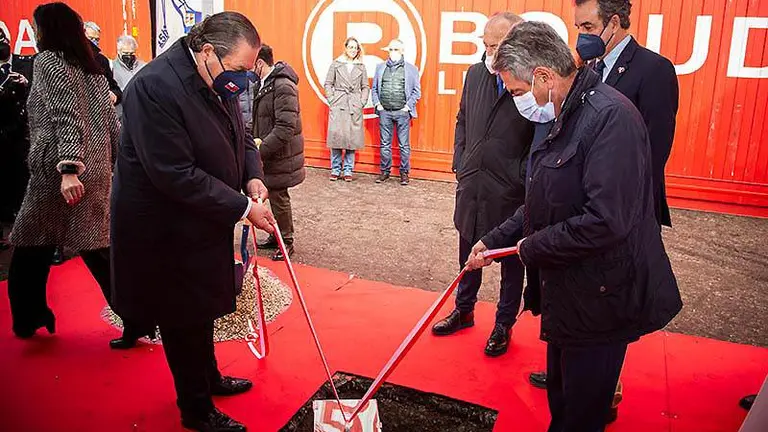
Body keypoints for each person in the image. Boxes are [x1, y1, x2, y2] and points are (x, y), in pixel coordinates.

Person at [466, 21, 682, 432]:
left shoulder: (610, 118)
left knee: (582, 413)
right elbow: (542, 199)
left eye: (515, 91)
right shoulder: (559, 112)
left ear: (543, 77)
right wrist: (493, 240)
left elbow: (606, 221)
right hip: (569, 291)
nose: (515, 102)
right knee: (562, 399)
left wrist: (527, 248)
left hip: (603, 297)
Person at [111, 12, 274, 432]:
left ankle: (210, 378)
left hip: (201, 216)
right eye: (239, 69)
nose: (243, 81)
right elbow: (173, 173)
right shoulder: (154, 87)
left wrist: (252, 173)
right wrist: (242, 207)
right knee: (181, 314)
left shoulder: (218, 77)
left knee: (201, 305)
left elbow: (242, 134)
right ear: (207, 53)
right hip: (164, 226)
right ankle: (196, 410)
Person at [528, 0, 680, 421]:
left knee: (607, 319)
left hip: (622, 216)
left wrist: (614, 218)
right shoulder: (587, 72)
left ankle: (602, 389)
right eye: (577, 26)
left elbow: (653, 152)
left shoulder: (653, 70)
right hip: (585, 221)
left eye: (588, 25)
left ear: (614, 22)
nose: (582, 35)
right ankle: (584, 379)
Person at [6, 2, 125, 341]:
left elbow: (64, 115)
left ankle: (29, 318)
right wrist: (119, 165)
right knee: (96, 250)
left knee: (29, 244)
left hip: (58, 174)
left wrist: (69, 168)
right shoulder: (93, 68)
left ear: (48, 30)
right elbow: (111, 125)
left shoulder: (49, 62)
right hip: (95, 170)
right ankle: (136, 315)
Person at [431, 13, 533, 357]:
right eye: (486, 44)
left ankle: (504, 324)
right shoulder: (475, 74)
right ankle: (464, 309)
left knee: (510, 260)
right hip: (472, 185)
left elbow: (539, 139)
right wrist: (461, 161)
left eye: (496, 45)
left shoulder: (530, 83)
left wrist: (521, 177)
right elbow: (462, 118)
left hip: (510, 192)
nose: (489, 52)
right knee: (467, 249)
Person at [251, 45, 305, 261]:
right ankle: (277, 236)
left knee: (279, 197)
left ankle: (287, 241)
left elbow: (285, 127)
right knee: (273, 195)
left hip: (280, 154)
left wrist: (259, 151)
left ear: (260, 63)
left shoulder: (282, 85)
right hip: (271, 152)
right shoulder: (264, 84)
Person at [0, 28, 33, 249]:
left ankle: (28, 232)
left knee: (25, 185)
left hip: (24, 134)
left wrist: (24, 83)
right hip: (1, 134)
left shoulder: (27, 63)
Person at [371, 39, 421, 185]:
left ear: (402, 51)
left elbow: (416, 92)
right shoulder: (380, 67)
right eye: (391, 49)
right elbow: (374, 88)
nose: (392, 52)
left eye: (395, 49)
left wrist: (407, 107)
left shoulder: (411, 69)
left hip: (402, 112)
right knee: (384, 144)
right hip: (385, 111)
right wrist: (378, 104)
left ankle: (404, 173)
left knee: (404, 145)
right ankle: (384, 171)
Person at [324, 37, 370, 182]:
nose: (352, 50)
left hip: (353, 105)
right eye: (350, 47)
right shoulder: (336, 64)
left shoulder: (361, 67)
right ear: (345, 48)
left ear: (358, 50)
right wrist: (332, 99)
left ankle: (348, 170)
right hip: (339, 104)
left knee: (352, 139)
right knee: (337, 137)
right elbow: (328, 83)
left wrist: (361, 102)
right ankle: (336, 169)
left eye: (355, 48)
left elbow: (365, 87)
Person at [84, 21, 122, 106]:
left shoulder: (102, 60)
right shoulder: (74, 60)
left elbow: (114, 87)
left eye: (97, 39)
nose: (94, 42)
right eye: (90, 38)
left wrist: (113, 94)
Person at [111, 35, 146, 119]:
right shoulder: (111, 67)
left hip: (140, 113)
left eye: (131, 53)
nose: (129, 56)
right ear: (118, 52)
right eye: (125, 53)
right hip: (121, 115)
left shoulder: (143, 66)